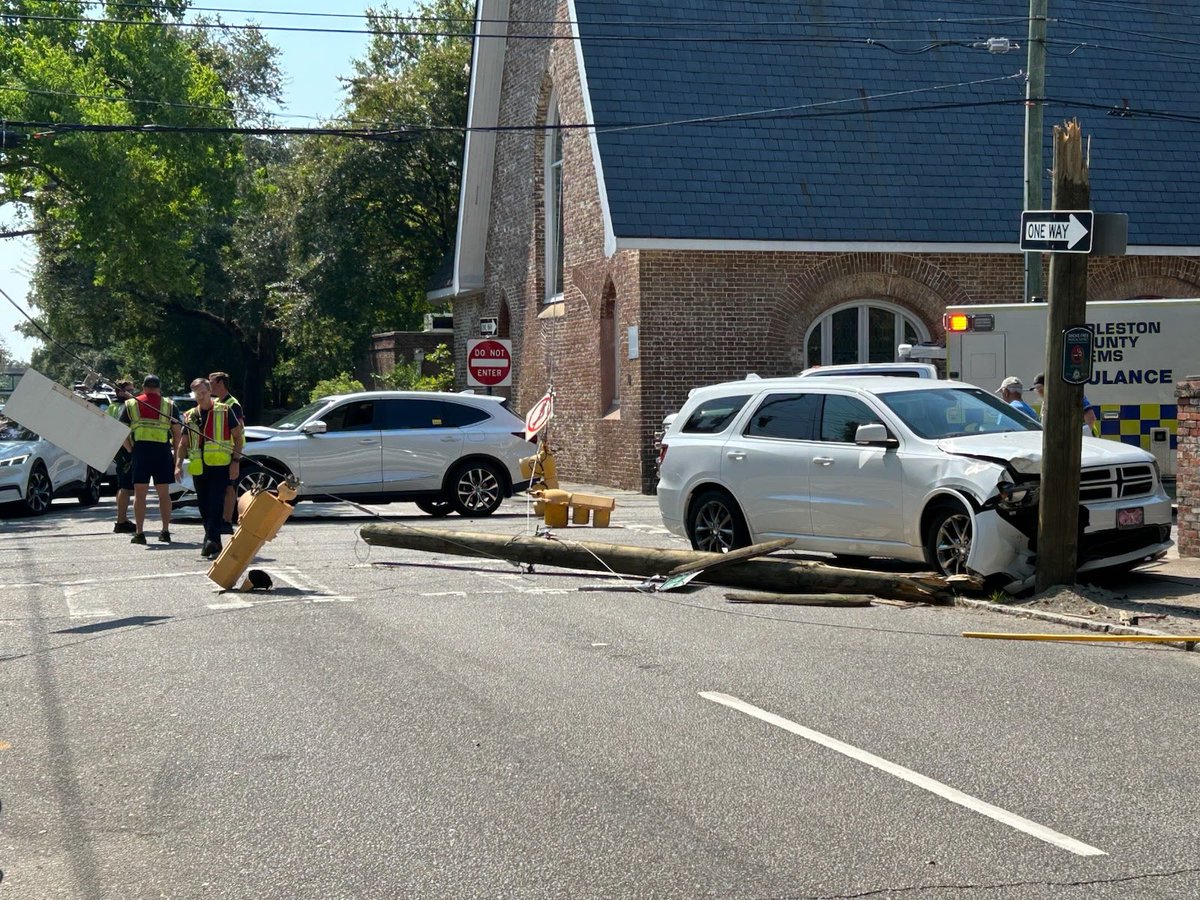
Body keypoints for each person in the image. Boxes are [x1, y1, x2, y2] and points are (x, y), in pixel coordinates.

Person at [176, 377, 244, 559]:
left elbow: (238, 437)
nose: (201, 397)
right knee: (204, 506)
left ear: (210, 392)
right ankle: (213, 542)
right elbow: (183, 443)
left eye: (204, 393)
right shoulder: (190, 415)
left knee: (215, 504)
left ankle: (210, 541)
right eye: (197, 394)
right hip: (199, 468)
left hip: (220, 466)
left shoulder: (224, 410)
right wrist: (177, 465)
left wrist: (235, 461)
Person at [118, 375, 182, 544]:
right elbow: (177, 434)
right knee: (164, 494)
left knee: (140, 494)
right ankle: (165, 531)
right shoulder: (169, 405)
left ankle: (139, 533)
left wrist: (131, 449)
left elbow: (121, 431)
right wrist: (176, 458)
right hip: (162, 452)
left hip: (141, 452)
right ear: (159, 387)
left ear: (144, 387)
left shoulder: (131, 404)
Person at [208, 371, 244, 532]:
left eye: (212, 383)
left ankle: (227, 521)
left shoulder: (233, 404)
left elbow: (239, 432)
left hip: (230, 452)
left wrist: (235, 458)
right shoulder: (216, 402)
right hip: (217, 454)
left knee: (229, 487)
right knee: (219, 488)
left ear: (221, 383)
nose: (209, 387)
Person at [107, 380, 137, 532]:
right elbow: (121, 432)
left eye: (133, 390)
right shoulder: (123, 407)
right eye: (129, 390)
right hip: (126, 449)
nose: (132, 393)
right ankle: (121, 521)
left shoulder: (111, 407)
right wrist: (131, 451)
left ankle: (122, 519)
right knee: (125, 487)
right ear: (119, 392)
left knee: (125, 486)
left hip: (119, 450)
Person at [1031, 373, 1098, 436]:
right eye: (1036, 389)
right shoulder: (1046, 402)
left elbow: (1091, 417)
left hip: (1078, 439)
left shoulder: (1072, 395)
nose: (1038, 391)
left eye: (1039, 388)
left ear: (1048, 385)